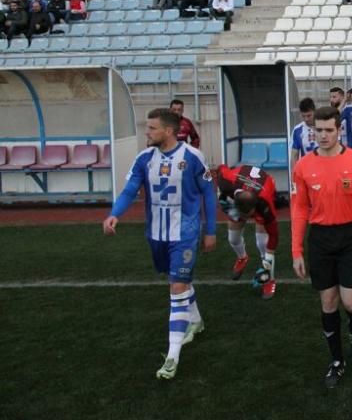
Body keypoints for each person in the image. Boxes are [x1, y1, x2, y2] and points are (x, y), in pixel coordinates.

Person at [102, 108, 217, 380]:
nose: (147, 132)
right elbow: (130, 189)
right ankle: (196, 322)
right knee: (179, 282)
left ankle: (172, 356)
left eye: (152, 128)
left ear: (168, 131)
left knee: (176, 287)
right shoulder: (144, 159)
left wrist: (210, 230)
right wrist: (114, 214)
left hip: (185, 233)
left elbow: (208, 194)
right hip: (156, 233)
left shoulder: (192, 157)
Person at [290, 107, 352, 389]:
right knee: (328, 302)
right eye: (319, 130)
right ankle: (337, 361)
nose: (323, 135)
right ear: (313, 130)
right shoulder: (303, 166)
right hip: (320, 240)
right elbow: (300, 209)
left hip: (351, 238)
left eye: (329, 130)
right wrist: (296, 251)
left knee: (351, 303)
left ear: (339, 129)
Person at [216, 163, 279, 300]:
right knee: (233, 238)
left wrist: (267, 265)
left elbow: (274, 236)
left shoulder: (264, 202)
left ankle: (269, 280)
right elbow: (221, 168)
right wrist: (221, 196)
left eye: (248, 215)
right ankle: (242, 257)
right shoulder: (226, 183)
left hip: (265, 186)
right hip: (240, 186)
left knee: (263, 243)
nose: (246, 219)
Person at [291, 97, 318, 163]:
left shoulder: (324, 126)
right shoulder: (297, 130)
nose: (306, 119)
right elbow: (294, 155)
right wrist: (293, 172)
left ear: (314, 111)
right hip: (306, 169)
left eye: (309, 116)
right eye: (303, 116)